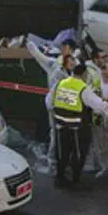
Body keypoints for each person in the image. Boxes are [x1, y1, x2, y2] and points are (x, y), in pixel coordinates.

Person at [49, 64, 108, 189]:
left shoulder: (60, 84)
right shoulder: (83, 88)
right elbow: (98, 106)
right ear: (84, 74)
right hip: (78, 128)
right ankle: (75, 181)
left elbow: (49, 102)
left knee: (62, 153)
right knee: (78, 154)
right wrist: (107, 106)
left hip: (61, 126)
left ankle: (60, 179)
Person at [28, 39, 77, 175]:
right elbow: (38, 55)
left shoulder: (76, 67)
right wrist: (29, 44)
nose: (62, 50)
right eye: (62, 48)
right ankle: (54, 163)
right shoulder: (55, 65)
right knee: (55, 134)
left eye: (65, 48)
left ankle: (64, 162)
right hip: (56, 107)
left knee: (67, 135)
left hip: (69, 108)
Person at [83, 50, 108, 174]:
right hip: (92, 110)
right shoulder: (89, 71)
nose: (105, 59)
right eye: (102, 57)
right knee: (94, 137)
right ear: (95, 59)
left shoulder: (100, 71)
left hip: (98, 110)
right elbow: (86, 90)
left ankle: (98, 164)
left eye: (105, 57)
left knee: (100, 137)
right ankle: (91, 164)